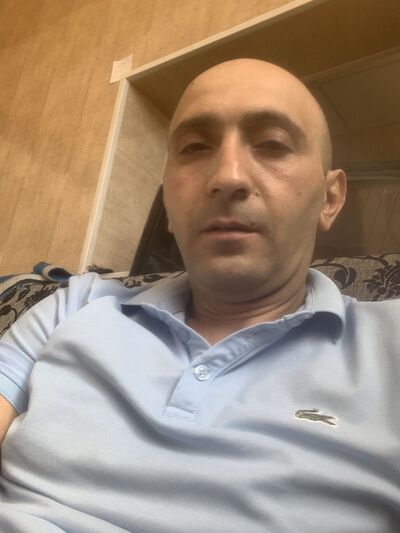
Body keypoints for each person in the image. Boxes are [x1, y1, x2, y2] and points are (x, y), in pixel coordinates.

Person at [0, 58, 399, 532]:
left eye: (272, 144)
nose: (227, 176)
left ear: (330, 198)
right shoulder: (73, 305)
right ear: (168, 200)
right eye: (195, 147)